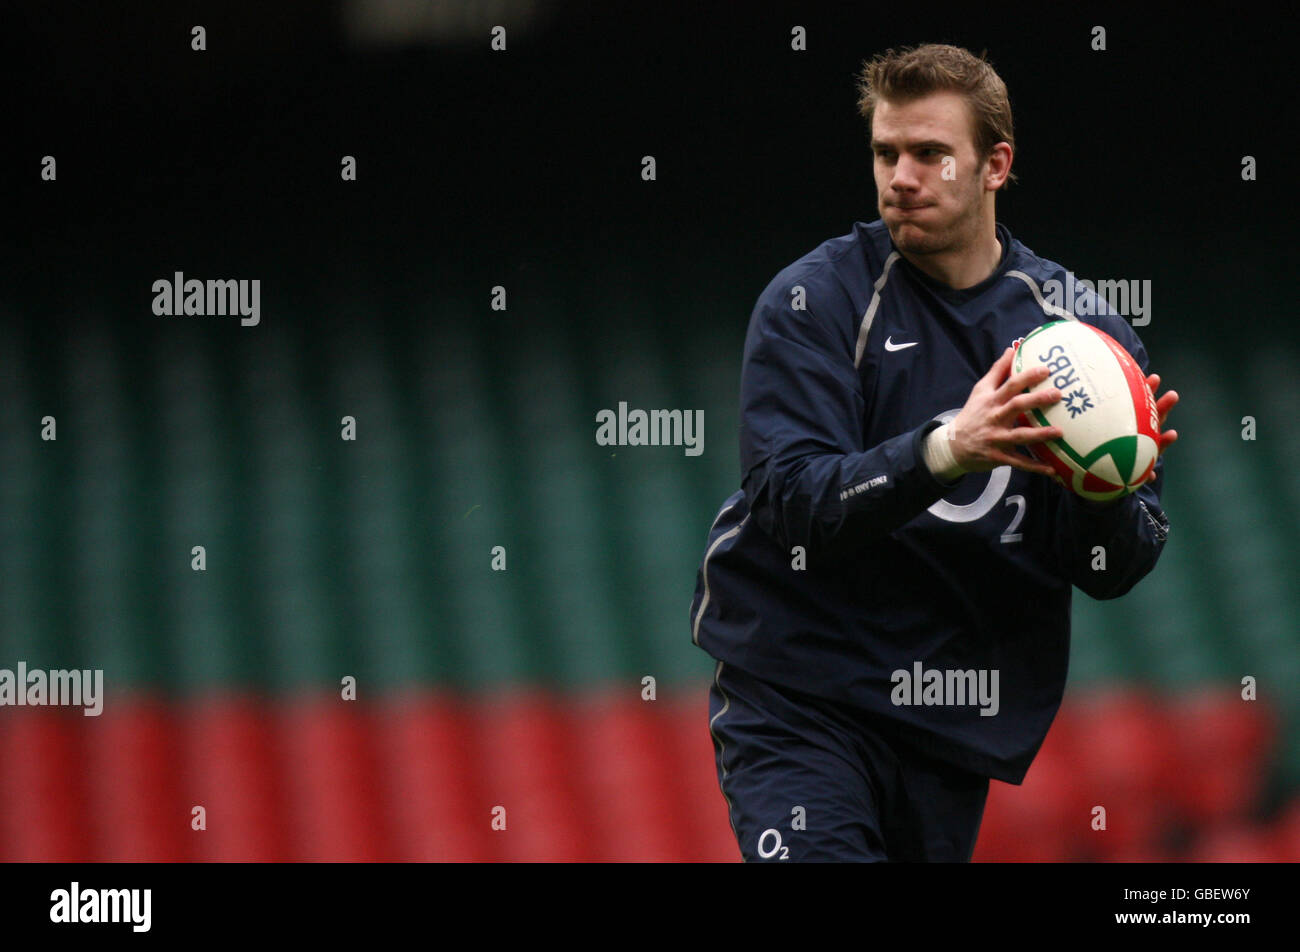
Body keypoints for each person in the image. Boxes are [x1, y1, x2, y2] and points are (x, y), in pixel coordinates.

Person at [688, 43, 1179, 862]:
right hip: (802, 694)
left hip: (949, 724)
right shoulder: (816, 302)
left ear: (995, 165)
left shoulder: (1080, 337)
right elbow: (794, 505)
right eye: (886, 153)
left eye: (928, 154)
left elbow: (1113, 566)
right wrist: (952, 447)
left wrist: (1104, 491)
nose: (899, 177)